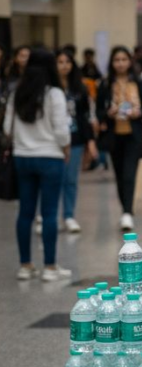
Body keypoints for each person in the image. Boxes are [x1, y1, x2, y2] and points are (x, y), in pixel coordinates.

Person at [5, 49, 72, 281]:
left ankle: (25, 265)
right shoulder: (54, 94)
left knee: (25, 213)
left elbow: (7, 128)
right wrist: (65, 148)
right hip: (50, 157)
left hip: (22, 157)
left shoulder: (17, 93)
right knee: (50, 212)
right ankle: (50, 267)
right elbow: (62, 130)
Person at [96, 46, 142, 232]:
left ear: (130, 62)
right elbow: (98, 111)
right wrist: (108, 113)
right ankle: (125, 209)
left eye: (124, 59)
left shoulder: (139, 82)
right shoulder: (105, 84)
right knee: (119, 175)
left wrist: (139, 112)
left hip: (134, 135)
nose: (120, 63)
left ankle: (128, 212)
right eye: (117, 60)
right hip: (114, 135)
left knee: (129, 174)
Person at [56, 50, 98, 234]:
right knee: (53, 179)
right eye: (60, 61)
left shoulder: (80, 88)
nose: (64, 65)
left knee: (71, 179)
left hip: (75, 139)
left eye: (67, 62)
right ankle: (46, 215)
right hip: (53, 142)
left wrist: (90, 141)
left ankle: (69, 215)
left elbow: (84, 117)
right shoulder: (49, 88)